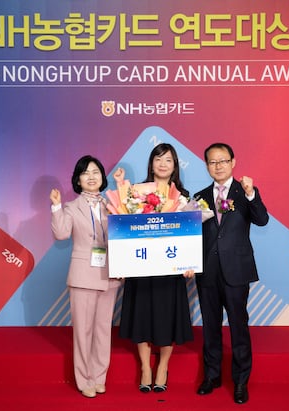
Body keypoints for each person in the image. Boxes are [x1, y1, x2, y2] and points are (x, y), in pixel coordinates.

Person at [193, 142, 269, 404]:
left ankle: (240, 381)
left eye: (223, 161)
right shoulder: (200, 196)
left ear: (233, 162)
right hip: (207, 272)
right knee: (210, 327)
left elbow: (262, 220)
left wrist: (251, 194)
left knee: (238, 326)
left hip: (236, 270)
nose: (218, 166)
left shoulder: (244, 192)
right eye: (213, 162)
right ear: (207, 166)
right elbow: (193, 235)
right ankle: (212, 376)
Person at [116, 143, 195, 393]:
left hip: (170, 269)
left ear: (175, 165)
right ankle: (145, 368)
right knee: (141, 316)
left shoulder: (183, 197)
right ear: (151, 163)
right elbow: (124, 229)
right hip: (141, 266)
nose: (163, 164)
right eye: (158, 159)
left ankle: (162, 366)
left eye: (168, 160)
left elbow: (189, 235)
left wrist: (190, 263)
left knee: (166, 317)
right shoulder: (135, 193)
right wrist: (122, 262)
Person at [50, 155, 121, 398]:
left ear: (102, 177)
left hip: (109, 274)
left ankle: (99, 377)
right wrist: (56, 207)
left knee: (103, 330)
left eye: (96, 172)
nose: (91, 177)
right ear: (78, 180)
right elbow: (61, 234)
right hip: (83, 276)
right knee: (83, 331)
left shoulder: (112, 205)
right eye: (85, 173)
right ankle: (84, 379)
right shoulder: (71, 207)